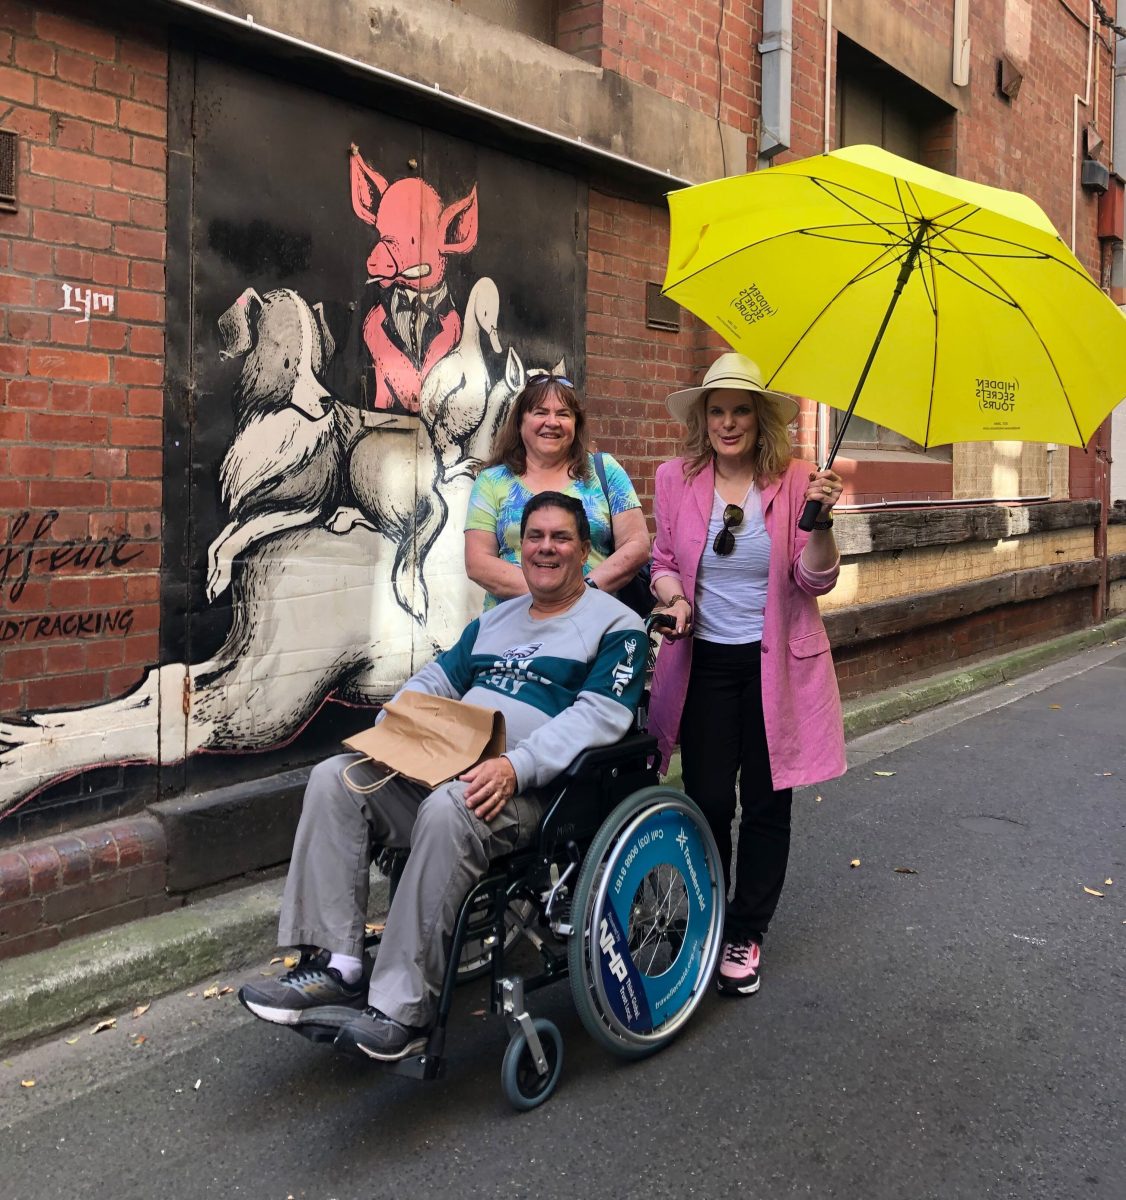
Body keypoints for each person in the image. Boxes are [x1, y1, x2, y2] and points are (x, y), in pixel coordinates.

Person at [239, 492, 645, 1060]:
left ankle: (401, 1010)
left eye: (561, 538)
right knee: (337, 778)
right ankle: (340, 965)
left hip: (535, 790)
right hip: (448, 766)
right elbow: (434, 680)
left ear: (583, 550)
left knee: (448, 810)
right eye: (535, 537)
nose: (546, 548)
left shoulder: (616, 627)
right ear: (519, 547)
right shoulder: (495, 621)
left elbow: (599, 715)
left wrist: (514, 765)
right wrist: (398, 728)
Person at [647, 352, 846, 999]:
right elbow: (664, 557)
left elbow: (813, 578)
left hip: (775, 666)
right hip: (704, 661)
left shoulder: (793, 482)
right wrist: (673, 595)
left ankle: (746, 929)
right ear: (702, 419)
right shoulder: (675, 477)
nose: (728, 422)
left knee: (766, 802)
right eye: (717, 410)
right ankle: (707, 915)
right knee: (705, 800)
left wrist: (821, 524)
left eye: (740, 411)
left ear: (760, 421)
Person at [464, 373, 650, 608]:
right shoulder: (491, 481)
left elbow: (637, 545)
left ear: (576, 424)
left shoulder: (605, 471)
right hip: (513, 627)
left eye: (563, 414)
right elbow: (478, 562)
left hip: (594, 621)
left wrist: (584, 592)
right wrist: (555, 597)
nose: (552, 422)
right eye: (540, 412)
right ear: (520, 422)